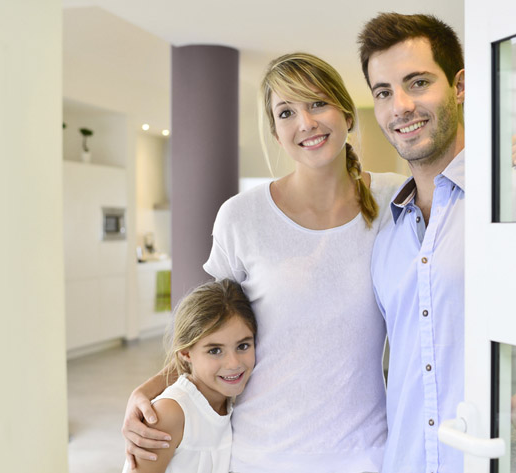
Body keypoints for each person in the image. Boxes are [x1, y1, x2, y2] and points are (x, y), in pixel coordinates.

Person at [358, 12, 516, 473]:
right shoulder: (385, 235)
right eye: (383, 92)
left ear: (460, 86)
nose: (399, 105)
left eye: (417, 83)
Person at [121, 52, 405, 472]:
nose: (305, 123)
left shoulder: (396, 201)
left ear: (346, 113)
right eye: (286, 112)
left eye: (317, 103)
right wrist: (146, 392)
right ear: (275, 131)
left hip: (365, 456)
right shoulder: (242, 216)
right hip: (260, 455)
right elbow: (209, 334)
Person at [122, 279, 257, 473]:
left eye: (243, 346)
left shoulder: (228, 405)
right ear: (186, 354)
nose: (234, 363)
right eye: (215, 350)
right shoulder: (170, 413)